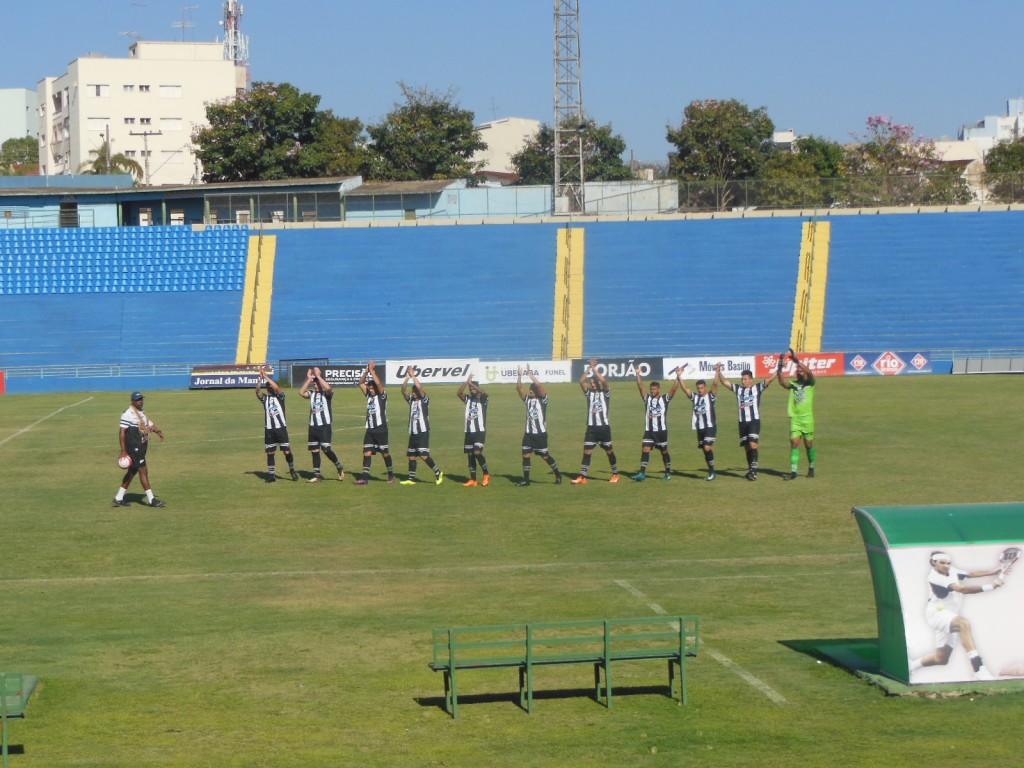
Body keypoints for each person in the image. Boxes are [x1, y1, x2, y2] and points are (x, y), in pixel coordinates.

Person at [910, 551, 1005, 681]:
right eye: (942, 563)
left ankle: (912, 665)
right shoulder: (934, 577)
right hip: (936, 613)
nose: (946, 566)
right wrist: (991, 586)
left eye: (948, 563)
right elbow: (961, 589)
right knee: (963, 624)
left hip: (949, 615)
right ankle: (978, 669)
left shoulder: (951, 570)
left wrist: (993, 572)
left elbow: (970, 574)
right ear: (933, 563)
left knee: (941, 659)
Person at [716, 363, 777, 481]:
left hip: (754, 420)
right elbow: (725, 382)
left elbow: (769, 379)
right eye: (742, 379)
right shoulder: (738, 389)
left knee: (753, 444)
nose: (743, 381)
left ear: (751, 380)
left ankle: (754, 472)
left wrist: (779, 368)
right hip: (742, 422)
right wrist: (719, 372)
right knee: (747, 447)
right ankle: (751, 470)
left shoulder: (757, 388)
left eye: (745, 379)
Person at [112, 391, 167, 507]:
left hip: (141, 446)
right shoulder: (128, 414)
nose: (140, 401)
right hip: (134, 447)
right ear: (132, 401)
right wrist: (123, 450)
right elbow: (122, 432)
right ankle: (151, 500)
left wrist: (158, 431)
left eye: (141, 399)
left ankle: (118, 497)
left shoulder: (140, 412)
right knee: (143, 470)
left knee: (132, 471)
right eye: (138, 400)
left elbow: (148, 424)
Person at [570, 359, 620, 484]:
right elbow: (581, 382)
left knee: (609, 451)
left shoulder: (606, 393)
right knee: (587, 451)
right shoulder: (589, 394)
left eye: (593, 382)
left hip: (603, 428)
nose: (592, 385)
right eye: (591, 383)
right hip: (591, 428)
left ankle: (615, 474)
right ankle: (582, 476)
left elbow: (604, 381)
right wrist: (589, 368)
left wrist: (595, 369)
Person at [515, 366, 563, 486]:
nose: (530, 391)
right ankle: (526, 480)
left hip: (540, 435)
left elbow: (540, 386)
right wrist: (520, 375)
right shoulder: (528, 401)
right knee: (525, 455)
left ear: (536, 391)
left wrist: (531, 375)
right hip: (528, 434)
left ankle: (557, 473)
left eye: (532, 390)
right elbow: (518, 388)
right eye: (530, 389)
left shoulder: (543, 400)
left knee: (545, 456)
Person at [631, 367, 681, 481]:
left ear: (658, 389)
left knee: (664, 452)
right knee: (645, 449)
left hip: (661, 431)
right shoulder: (647, 399)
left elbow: (673, 389)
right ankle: (642, 473)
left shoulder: (664, 399)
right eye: (651, 389)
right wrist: (638, 374)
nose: (652, 391)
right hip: (649, 431)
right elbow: (640, 387)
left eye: (654, 389)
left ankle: (668, 472)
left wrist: (678, 376)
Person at [298, 366, 345, 483]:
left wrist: (318, 376)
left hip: (324, 426)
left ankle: (338, 466)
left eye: (316, 384)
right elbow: (301, 392)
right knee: (314, 450)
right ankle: (317, 475)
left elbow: (329, 389)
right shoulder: (312, 394)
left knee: (326, 449)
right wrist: (309, 379)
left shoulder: (326, 395)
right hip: (313, 426)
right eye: (313, 384)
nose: (314, 385)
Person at [399, 369, 444, 485]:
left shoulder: (425, 400)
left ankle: (438, 472)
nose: (413, 393)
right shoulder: (411, 401)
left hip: (423, 431)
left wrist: (414, 376)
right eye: (412, 391)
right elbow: (403, 390)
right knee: (411, 456)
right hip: (413, 432)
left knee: (424, 456)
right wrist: (407, 378)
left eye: (414, 391)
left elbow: (420, 388)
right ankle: (411, 479)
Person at [778, 348, 816, 480]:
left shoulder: (810, 383)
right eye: (798, 371)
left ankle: (811, 467)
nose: (800, 372)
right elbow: (782, 382)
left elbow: (810, 372)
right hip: (795, 419)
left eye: (801, 371)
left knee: (808, 445)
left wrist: (797, 361)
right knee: (794, 444)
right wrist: (779, 368)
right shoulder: (793, 384)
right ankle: (793, 472)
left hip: (808, 419)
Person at [354, 360, 394, 485]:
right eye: (369, 388)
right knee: (367, 452)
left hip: (381, 429)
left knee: (385, 453)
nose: (370, 390)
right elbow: (360, 383)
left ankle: (391, 475)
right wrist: (366, 372)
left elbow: (379, 383)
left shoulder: (382, 396)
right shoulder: (369, 396)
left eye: (372, 388)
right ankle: (365, 478)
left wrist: (372, 371)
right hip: (370, 429)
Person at [256, 366, 299, 483]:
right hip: (269, 429)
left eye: (270, 386)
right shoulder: (265, 399)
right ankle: (271, 475)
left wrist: (266, 376)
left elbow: (278, 388)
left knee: (287, 451)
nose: (269, 387)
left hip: (281, 428)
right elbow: (258, 392)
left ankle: (292, 470)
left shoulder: (280, 397)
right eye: (268, 386)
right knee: (270, 452)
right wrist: (260, 379)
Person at [678, 364, 718, 481]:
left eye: (701, 388)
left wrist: (717, 372)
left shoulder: (711, 396)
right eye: (698, 388)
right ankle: (711, 469)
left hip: (710, 427)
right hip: (700, 428)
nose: (699, 390)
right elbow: (685, 389)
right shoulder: (695, 398)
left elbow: (715, 385)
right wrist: (680, 376)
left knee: (706, 447)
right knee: (705, 450)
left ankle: (711, 471)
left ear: (705, 387)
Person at [457, 373, 491, 487]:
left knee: (477, 452)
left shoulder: (483, 399)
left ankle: (486, 474)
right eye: (470, 389)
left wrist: (472, 384)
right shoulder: (468, 399)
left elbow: (484, 392)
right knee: (470, 455)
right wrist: (467, 382)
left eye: (473, 388)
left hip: (480, 431)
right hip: (469, 431)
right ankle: (473, 480)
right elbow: (459, 393)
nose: (471, 390)